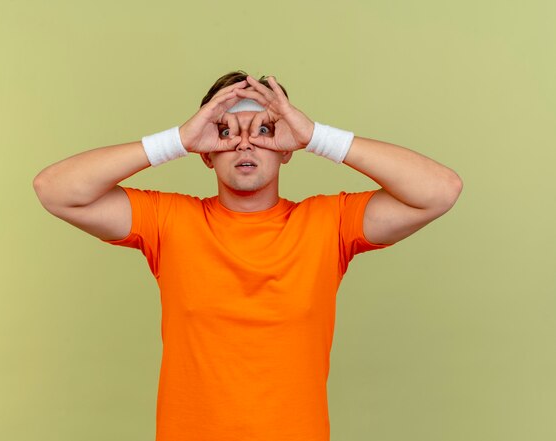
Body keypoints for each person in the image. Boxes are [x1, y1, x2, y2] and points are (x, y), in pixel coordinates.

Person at [33, 70, 463, 441]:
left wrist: (317, 137)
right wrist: (177, 141)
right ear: (205, 152)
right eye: (226, 132)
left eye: (263, 130)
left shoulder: (328, 222)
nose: (244, 145)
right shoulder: (169, 221)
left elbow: (440, 190)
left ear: (286, 146)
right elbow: (55, 189)